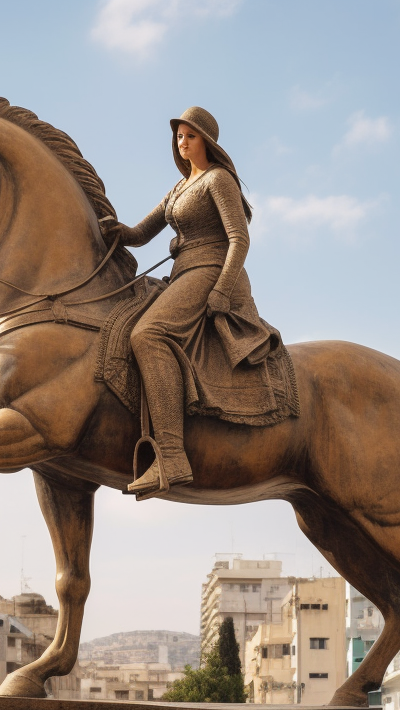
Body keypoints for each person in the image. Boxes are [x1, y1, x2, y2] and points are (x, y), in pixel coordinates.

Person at [101, 106, 278, 498]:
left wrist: (221, 288)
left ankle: (171, 456)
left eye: (190, 136)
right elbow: (140, 232)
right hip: (182, 274)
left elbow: (240, 239)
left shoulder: (219, 179)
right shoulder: (179, 188)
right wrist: (111, 228)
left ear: (207, 141)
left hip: (210, 268)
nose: (182, 143)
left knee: (148, 334)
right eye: (179, 136)